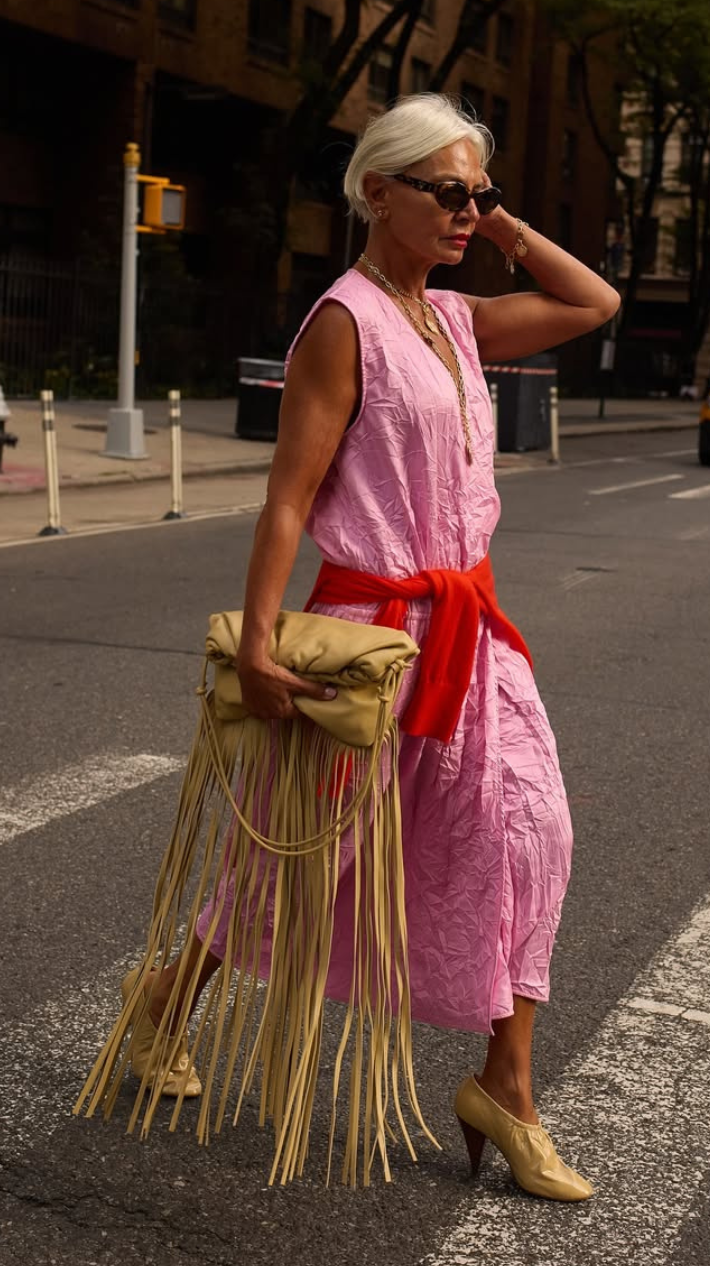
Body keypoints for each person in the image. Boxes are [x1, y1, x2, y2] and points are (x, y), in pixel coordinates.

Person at [125, 93, 618, 1202]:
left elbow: (596, 301)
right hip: (371, 638)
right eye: (446, 191)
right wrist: (258, 644)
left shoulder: (455, 317)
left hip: (474, 635)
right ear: (376, 190)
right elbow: (288, 501)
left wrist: (502, 230)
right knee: (301, 863)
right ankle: (165, 997)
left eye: (476, 193)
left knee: (534, 831)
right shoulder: (344, 323)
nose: (465, 210)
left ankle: (508, 1083)